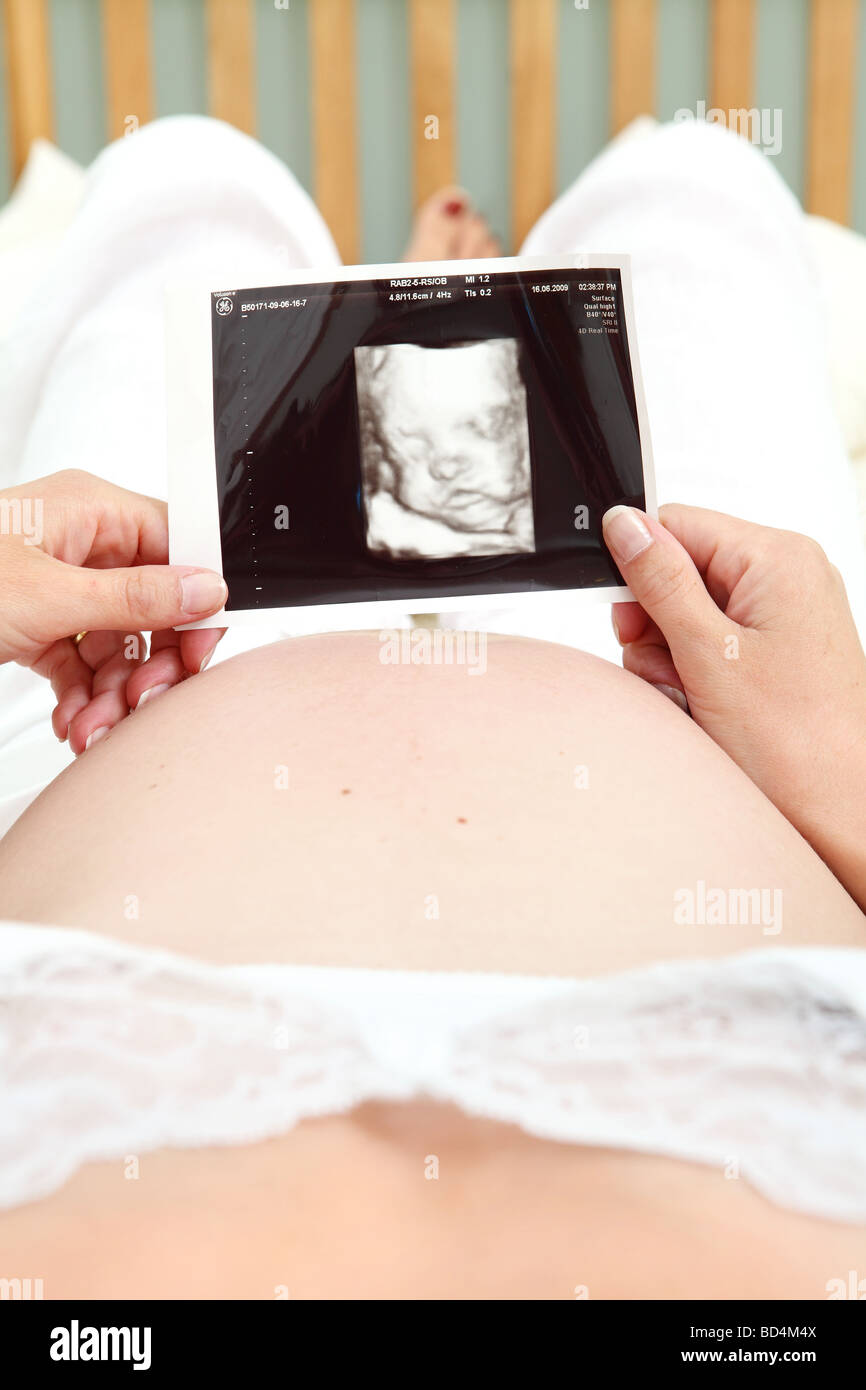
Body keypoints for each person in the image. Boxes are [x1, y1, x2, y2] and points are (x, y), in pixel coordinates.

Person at [0, 116, 863, 1300]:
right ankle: (460, 300)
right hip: (699, 712)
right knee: (693, 177)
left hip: (101, 706)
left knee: (183, 171)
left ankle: (410, 300)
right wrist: (839, 762)